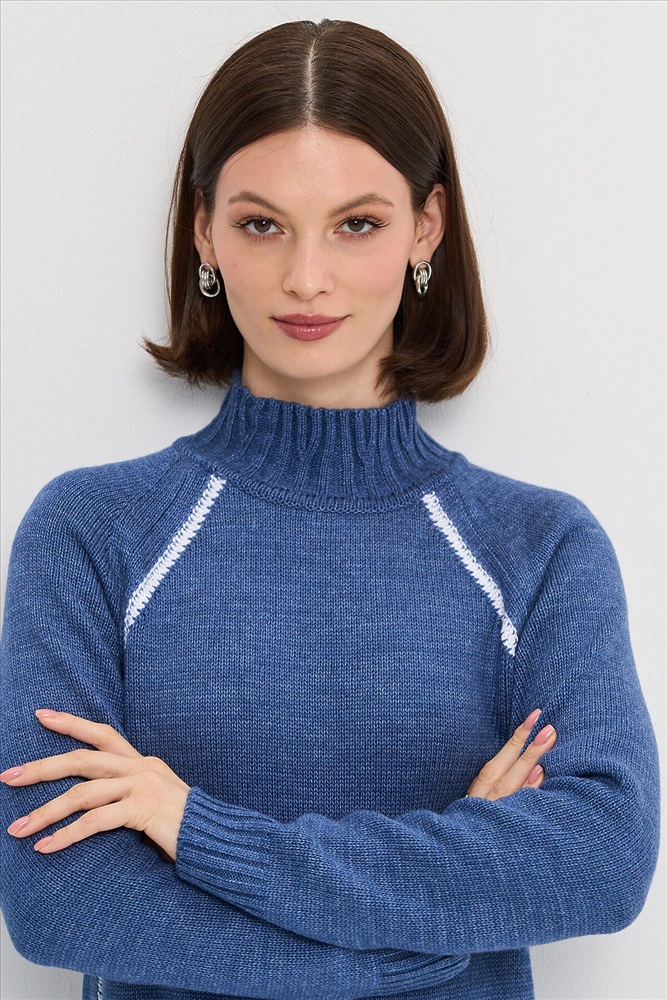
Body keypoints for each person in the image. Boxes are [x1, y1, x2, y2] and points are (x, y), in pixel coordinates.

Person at [0, 18, 659, 1000]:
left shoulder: (537, 548)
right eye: (261, 224)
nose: (306, 278)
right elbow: (61, 900)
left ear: (425, 228)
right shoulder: (94, 533)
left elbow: (601, 859)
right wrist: (427, 934)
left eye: (357, 224)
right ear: (203, 230)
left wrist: (193, 826)